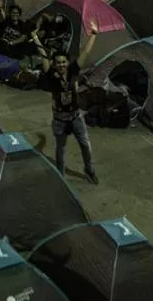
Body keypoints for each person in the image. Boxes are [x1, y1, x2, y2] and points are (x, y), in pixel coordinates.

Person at [39, 24, 99, 185]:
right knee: (61, 149)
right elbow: (44, 56)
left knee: (85, 145)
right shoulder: (52, 76)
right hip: (59, 120)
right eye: (58, 63)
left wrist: (93, 34)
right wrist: (35, 37)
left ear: (67, 62)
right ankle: (60, 174)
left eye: (63, 62)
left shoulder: (73, 70)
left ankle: (89, 170)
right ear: (54, 64)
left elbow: (85, 52)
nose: (61, 65)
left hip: (76, 117)